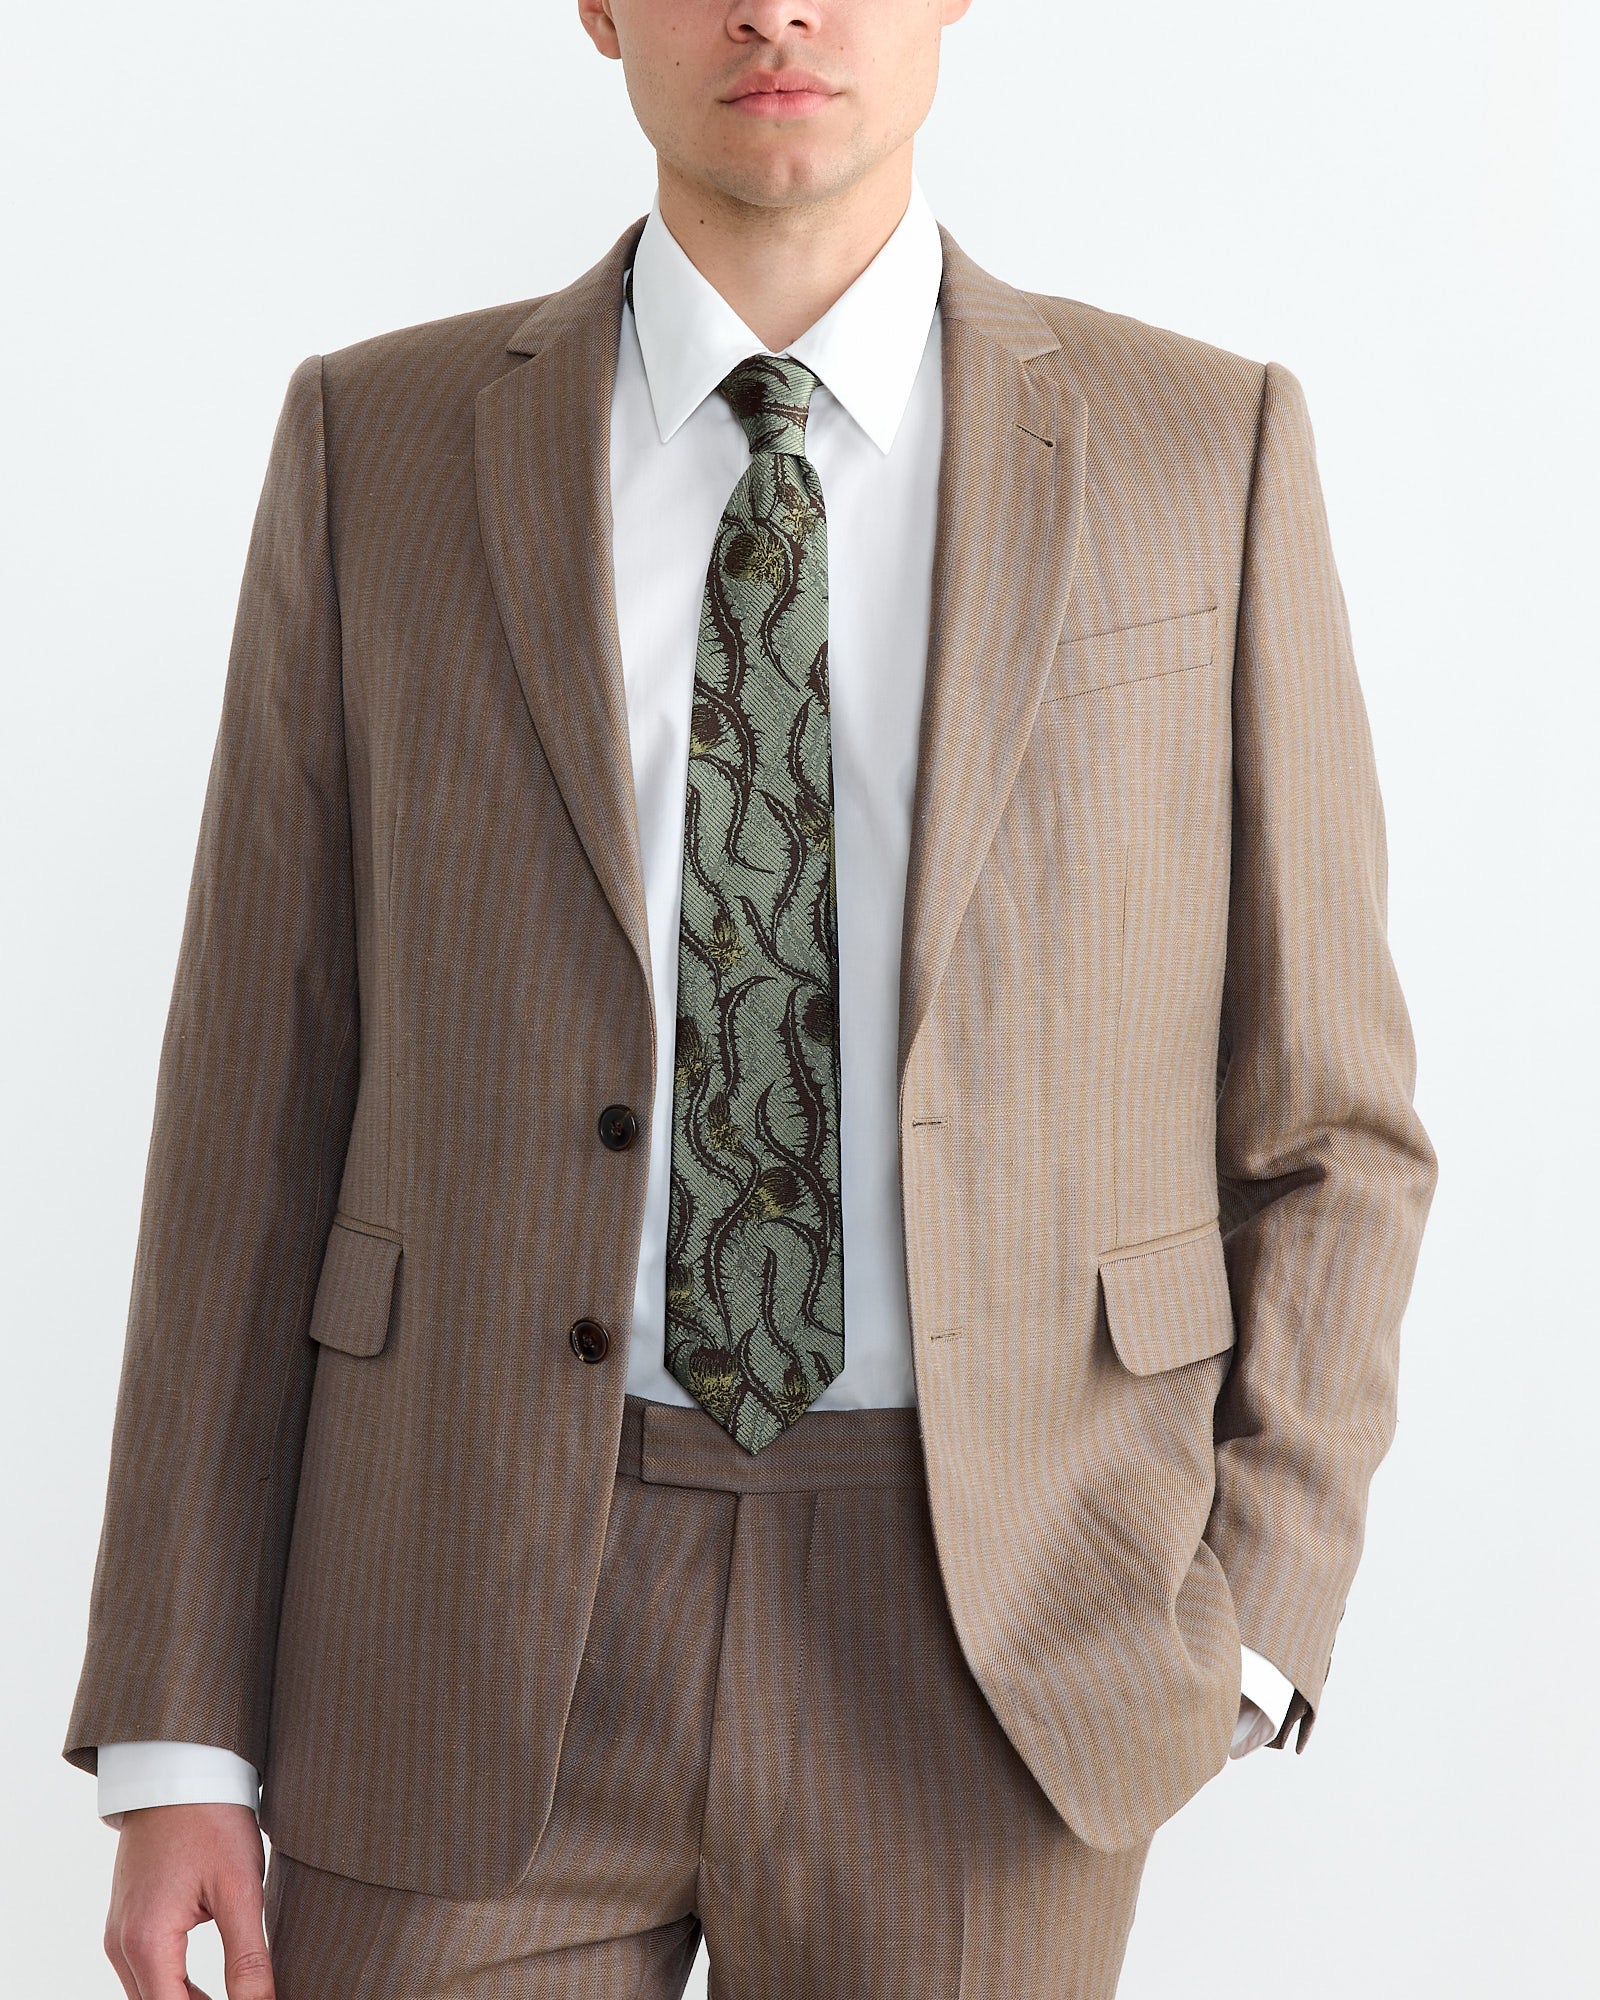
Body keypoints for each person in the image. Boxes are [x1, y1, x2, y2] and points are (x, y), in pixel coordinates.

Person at [64, 2, 1438, 1995]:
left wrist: (1251, 1620)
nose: (777, 9)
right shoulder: (380, 442)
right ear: (598, 7)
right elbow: (248, 1112)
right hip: (454, 1600)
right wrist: (177, 1729)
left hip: (995, 1638)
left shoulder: (1196, 447)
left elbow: (1330, 1120)